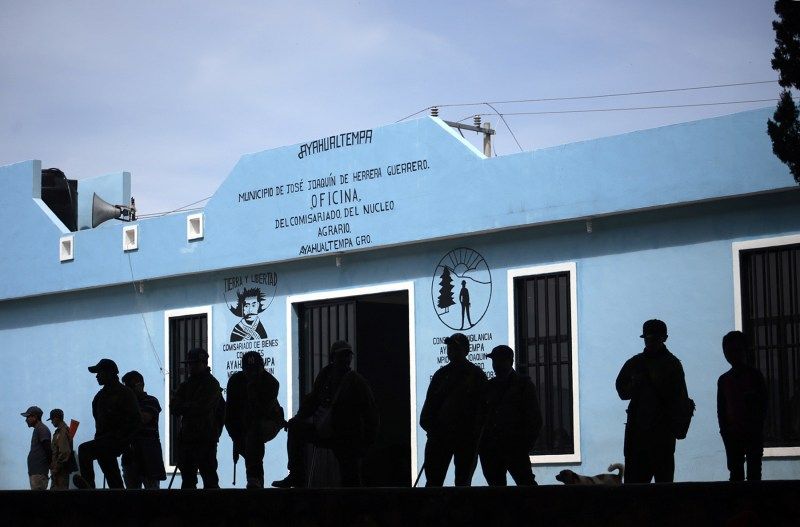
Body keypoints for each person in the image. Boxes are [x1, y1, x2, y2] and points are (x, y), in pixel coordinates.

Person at [272, 341, 379, 488]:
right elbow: (312, 401)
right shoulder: (325, 375)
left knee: (350, 476)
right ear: (333, 357)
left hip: (345, 435)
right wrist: (297, 419)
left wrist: (366, 443)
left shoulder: (356, 381)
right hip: (323, 429)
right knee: (296, 428)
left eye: (347, 356)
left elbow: (370, 413)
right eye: (342, 355)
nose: (345, 359)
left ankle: (352, 497)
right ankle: (295, 476)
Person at [616, 319, 689, 483]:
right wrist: (635, 385)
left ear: (664, 338)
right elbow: (622, 391)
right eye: (648, 339)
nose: (650, 342)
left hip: (660, 437)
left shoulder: (670, 365)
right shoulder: (638, 363)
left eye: (654, 338)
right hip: (641, 438)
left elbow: (680, 401)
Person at [420, 332, 487, 486]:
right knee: (433, 481)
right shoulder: (441, 375)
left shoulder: (476, 375)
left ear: (466, 351)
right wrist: (431, 427)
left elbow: (483, 409)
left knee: (463, 482)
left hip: (466, 438)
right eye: (449, 348)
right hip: (440, 436)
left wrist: (475, 433)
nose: (451, 351)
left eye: (456, 348)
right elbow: (430, 405)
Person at [478, 345, 542, 486]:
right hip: (491, 449)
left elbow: (534, 418)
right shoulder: (489, 386)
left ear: (510, 361)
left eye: (500, 360)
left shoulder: (523, 384)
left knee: (527, 486)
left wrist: (524, 445)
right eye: (494, 361)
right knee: (496, 490)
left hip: (515, 447)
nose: (496, 365)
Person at [73, 358, 140, 489]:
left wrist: (124, 442)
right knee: (113, 478)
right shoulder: (99, 397)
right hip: (104, 441)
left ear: (109, 373)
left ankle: (88, 487)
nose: (97, 376)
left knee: (84, 450)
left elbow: (136, 421)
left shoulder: (125, 393)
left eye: (99, 372)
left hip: (116, 441)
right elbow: (98, 422)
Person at [225, 351, 282, 488]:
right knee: (249, 446)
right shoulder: (235, 381)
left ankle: (254, 477)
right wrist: (236, 438)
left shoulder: (271, 383)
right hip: (245, 423)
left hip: (270, 421)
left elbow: (260, 412)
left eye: (256, 370)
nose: (252, 374)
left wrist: (251, 390)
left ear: (262, 368)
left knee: (254, 433)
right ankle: (256, 479)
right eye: (248, 370)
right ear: (243, 369)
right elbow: (229, 414)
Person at [717, 331, 767, 481]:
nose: (732, 355)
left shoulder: (754, 376)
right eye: (729, 351)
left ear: (745, 351)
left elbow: (762, 406)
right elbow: (721, 410)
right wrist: (725, 432)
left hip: (751, 433)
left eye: (736, 350)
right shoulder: (724, 380)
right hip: (732, 434)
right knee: (737, 473)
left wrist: (756, 428)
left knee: (751, 474)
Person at [171, 347, 223, 489]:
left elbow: (202, 407)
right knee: (188, 480)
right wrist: (190, 406)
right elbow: (174, 408)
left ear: (203, 363)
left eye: (194, 363)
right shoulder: (186, 385)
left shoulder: (212, 384)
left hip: (206, 437)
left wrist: (185, 406)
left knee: (209, 478)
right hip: (187, 438)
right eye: (189, 364)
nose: (190, 367)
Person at [121, 370, 167, 489]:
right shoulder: (125, 403)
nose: (128, 390)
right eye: (126, 387)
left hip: (148, 452)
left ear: (141, 385)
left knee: (152, 490)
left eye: (131, 386)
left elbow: (143, 418)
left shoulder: (151, 401)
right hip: (130, 452)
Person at [22, 406, 51, 490]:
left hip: (39, 472)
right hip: (36, 472)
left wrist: (50, 465)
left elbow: (48, 449)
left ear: (35, 417)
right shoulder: (38, 429)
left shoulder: (41, 428)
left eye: (28, 417)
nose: (26, 420)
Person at [47, 409, 73, 490]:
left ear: (56, 418)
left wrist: (56, 468)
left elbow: (64, 452)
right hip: (58, 472)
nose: (51, 422)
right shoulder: (59, 431)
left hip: (60, 472)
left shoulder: (63, 431)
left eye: (52, 419)